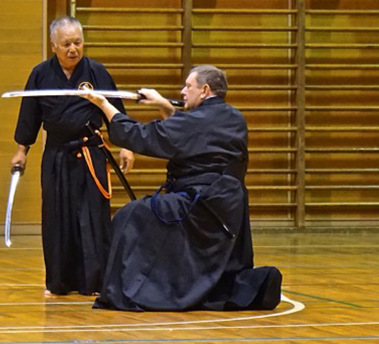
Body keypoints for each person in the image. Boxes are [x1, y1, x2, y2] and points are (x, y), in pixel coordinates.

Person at [82, 65, 282, 311]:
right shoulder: (234, 117)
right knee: (145, 212)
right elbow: (188, 136)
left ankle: (133, 290)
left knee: (130, 215)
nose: (183, 91)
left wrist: (103, 104)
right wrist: (163, 104)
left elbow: (140, 135)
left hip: (199, 206)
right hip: (226, 209)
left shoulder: (197, 121)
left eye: (189, 86)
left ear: (205, 90)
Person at [11, 16, 135, 296]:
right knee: (57, 217)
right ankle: (58, 282)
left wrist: (126, 145)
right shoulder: (40, 75)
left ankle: (94, 282)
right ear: (53, 45)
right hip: (56, 155)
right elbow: (29, 116)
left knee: (93, 217)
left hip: (90, 154)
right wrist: (21, 150)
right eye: (66, 44)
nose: (73, 49)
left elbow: (114, 110)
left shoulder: (97, 72)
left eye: (78, 43)